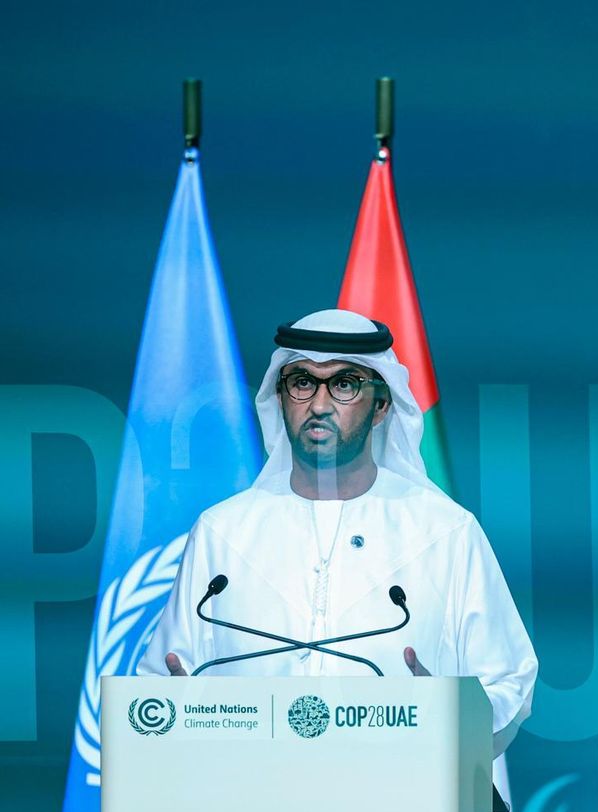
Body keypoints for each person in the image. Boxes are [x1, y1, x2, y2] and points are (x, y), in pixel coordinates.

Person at [139, 308, 536, 756]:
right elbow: (161, 682)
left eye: (345, 384)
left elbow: (509, 679)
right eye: (302, 382)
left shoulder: (444, 532)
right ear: (281, 397)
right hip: (246, 802)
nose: (320, 404)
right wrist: (177, 714)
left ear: (382, 406)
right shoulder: (224, 531)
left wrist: (452, 716)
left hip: (399, 805)